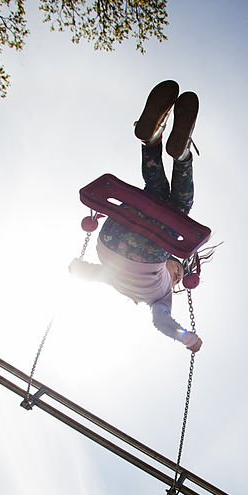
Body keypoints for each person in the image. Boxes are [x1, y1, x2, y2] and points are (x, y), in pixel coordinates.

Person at [69, 80, 206, 352]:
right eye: (178, 271)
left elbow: (162, 322)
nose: (177, 275)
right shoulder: (143, 291)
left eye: (177, 274)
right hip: (112, 239)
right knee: (155, 193)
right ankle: (155, 139)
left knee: (180, 206)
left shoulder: (159, 296)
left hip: (130, 245)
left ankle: (180, 155)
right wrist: (77, 270)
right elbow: (90, 273)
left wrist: (188, 338)